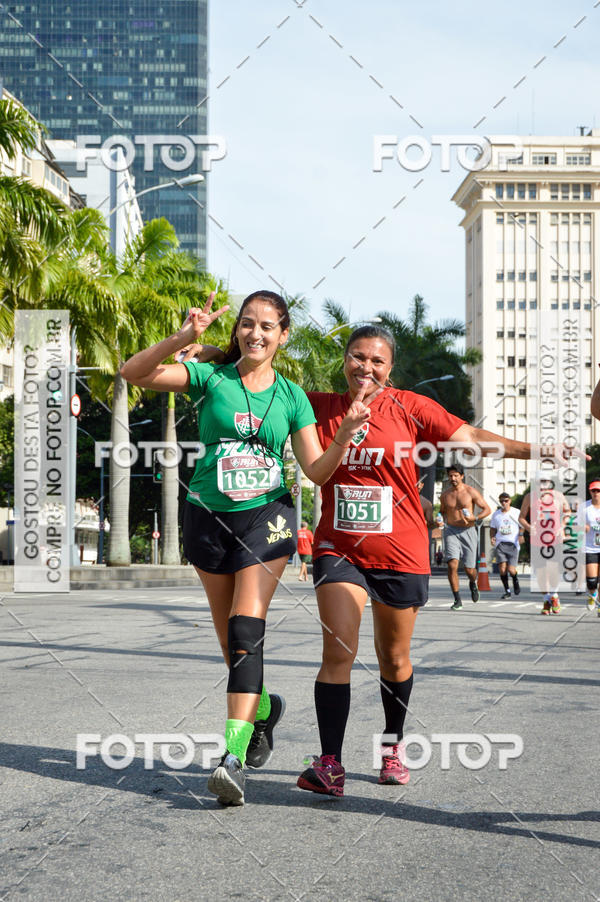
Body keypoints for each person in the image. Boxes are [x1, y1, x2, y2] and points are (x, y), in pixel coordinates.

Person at [120, 290, 369, 806]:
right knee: (228, 639)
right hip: (207, 515)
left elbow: (316, 471)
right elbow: (134, 373)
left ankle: (231, 758)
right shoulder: (211, 378)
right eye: (248, 324)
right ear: (236, 331)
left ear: (282, 335)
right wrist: (187, 338)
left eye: (268, 326)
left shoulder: (293, 396)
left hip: (268, 515)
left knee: (244, 625)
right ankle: (260, 712)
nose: (257, 333)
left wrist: (342, 436)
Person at [294, 324, 546, 798]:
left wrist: (537, 452)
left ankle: (393, 747)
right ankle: (330, 764)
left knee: (394, 657)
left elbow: (468, 435)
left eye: (376, 360)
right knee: (338, 652)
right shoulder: (317, 405)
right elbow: (256, 380)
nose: (365, 367)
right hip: (339, 550)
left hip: (400, 551)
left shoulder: (409, 407)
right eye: (357, 357)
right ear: (344, 360)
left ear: (390, 369)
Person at [440, 463, 491, 611]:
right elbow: (442, 511)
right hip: (451, 531)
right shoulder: (445, 494)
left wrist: (475, 518)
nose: (453, 478)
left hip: (468, 531)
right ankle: (457, 599)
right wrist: (439, 517)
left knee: (469, 570)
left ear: (462, 476)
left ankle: (472, 583)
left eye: (456, 475)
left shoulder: (471, 492)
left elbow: (487, 509)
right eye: (451, 476)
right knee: (452, 565)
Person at [519, 483, 570, 614]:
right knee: (541, 573)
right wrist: (529, 527)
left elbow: (568, 512)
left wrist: (562, 526)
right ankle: (546, 600)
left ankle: (554, 595)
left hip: (555, 539)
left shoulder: (558, 496)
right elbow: (521, 518)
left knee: (553, 570)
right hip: (537, 540)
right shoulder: (530, 497)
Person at [489, 493, 523, 598]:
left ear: (510, 501)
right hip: (500, 544)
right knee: (502, 569)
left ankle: (515, 580)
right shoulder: (496, 514)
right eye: (502, 501)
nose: (504, 503)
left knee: (511, 570)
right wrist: (492, 537)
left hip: (513, 544)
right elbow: (492, 529)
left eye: (506, 500)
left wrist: (521, 535)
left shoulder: (516, 512)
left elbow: (522, 525)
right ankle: (507, 591)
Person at [579, 479, 600, 614]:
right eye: (593, 491)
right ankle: (592, 595)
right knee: (592, 582)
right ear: (590, 491)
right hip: (590, 548)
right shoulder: (584, 507)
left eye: (598, 490)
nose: (596, 493)